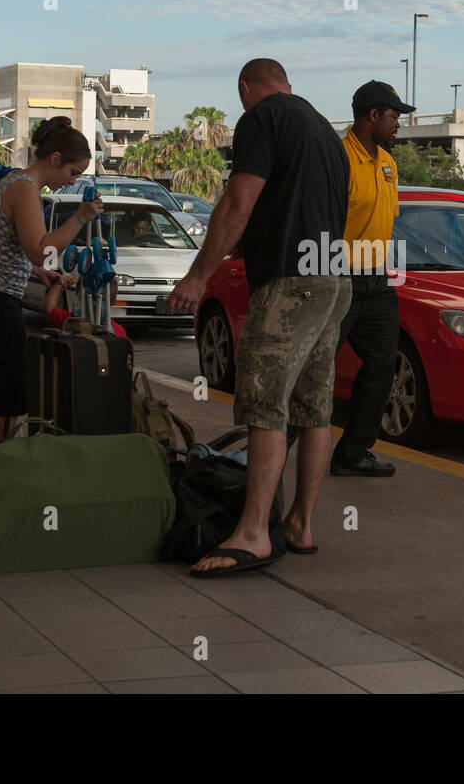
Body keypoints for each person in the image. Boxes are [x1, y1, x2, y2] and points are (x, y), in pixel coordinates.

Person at [169, 58, 351, 577]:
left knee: (265, 402)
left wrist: (198, 278)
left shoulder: (261, 118)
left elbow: (237, 203)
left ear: (246, 89)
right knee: (313, 406)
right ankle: (300, 524)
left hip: (291, 281)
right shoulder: (323, 129)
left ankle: (252, 534)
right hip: (334, 278)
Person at [0, 116, 102, 443]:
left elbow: (12, 245)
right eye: (72, 172)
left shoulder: (16, 182)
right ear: (55, 159)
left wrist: (39, 272)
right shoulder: (24, 189)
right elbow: (39, 249)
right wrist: (81, 216)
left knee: (4, 383)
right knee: (12, 390)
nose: (70, 181)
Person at [331, 80, 412, 478]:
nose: (399, 124)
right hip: (335, 274)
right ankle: (274, 452)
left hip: (376, 277)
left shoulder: (388, 163)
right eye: (395, 116)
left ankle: (352, 452)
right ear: (373, 115)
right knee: (315, 366)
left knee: (382, 364)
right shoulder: (336, 157)